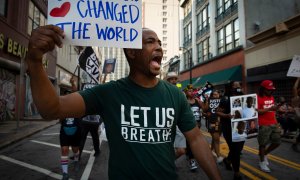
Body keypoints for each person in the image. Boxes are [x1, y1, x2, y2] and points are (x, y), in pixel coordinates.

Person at [25, 25, 221, 180]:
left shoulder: (175, 95)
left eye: (160, 43)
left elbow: (195, 139)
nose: (159, 47)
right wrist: (35, 61)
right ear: (131, 52)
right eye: (150, 42)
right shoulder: (109, 93)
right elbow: (51, 109)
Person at [217, 81, 245, 180]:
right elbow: (218, 112)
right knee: (235, 150)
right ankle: (236, 174)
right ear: (231, 87)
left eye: (239, 85)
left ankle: (228, 160)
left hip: (240, 127)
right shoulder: (225, 98)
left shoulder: (243, 96)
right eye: (235, 85)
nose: (238, 86)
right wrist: (226, 115)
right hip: (228, 127)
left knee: (239, 148)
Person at [256, 80, 281, 173]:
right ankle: (262, 162)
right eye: (268, 89)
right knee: (262, 144)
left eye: (271, 89)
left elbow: (273, 112)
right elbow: (257, 111)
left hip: (273, 123)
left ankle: (265, 153)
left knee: (277, 141)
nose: (270, 91)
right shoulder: (257, 98)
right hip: (263, 124)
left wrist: (277, 123)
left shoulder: (271, 97)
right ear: (263, 89)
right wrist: (270, 108)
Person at [59, 78, 81, 180]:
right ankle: (65, 173)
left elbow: (76, 93)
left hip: (75, 130)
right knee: (64, 150)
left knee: (75, 150)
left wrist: (73, 83)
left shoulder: (75, 104)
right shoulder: (61, 105)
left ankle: (76, 161)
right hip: (64, 131)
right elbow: (60, 119)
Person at [184, 85, 206, 171]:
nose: (191, 92)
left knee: (195, 142)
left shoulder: (197, 101)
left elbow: (204, 109)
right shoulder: (184, 101)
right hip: (188, 126)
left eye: (192, 91)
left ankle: (190, 155)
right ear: (186, 92)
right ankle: (192, 160)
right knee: (190, 142)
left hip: (198, 125)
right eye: (189, 91)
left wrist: (205, 100)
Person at [165, 72, 186, 159]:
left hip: (177, 124)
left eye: (175, 79)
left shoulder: (181, 93)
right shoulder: (162, 92)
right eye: (171, 79)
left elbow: (184, 108)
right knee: (167, 149)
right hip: (165, 123)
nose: (173, 81)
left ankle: (169, 162)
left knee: (181, 150)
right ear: (168, 81)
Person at [205, 90, 223, 163]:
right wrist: (206, 101)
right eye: (213, 95)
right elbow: (204, 110)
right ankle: (218, 156)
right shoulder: (208, 101)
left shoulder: (222, 101)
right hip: (211, 122)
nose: (215, 96)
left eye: (216, 94)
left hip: (220, 122)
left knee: (215, 138)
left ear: (219, 95)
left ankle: (210, 151)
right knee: (216, 139)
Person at [291, 77, 300, 152]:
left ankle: (295, 143)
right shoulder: (296, 99)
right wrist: (298, 78)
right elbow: (294, 87)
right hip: (298, 117)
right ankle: (295, 143)